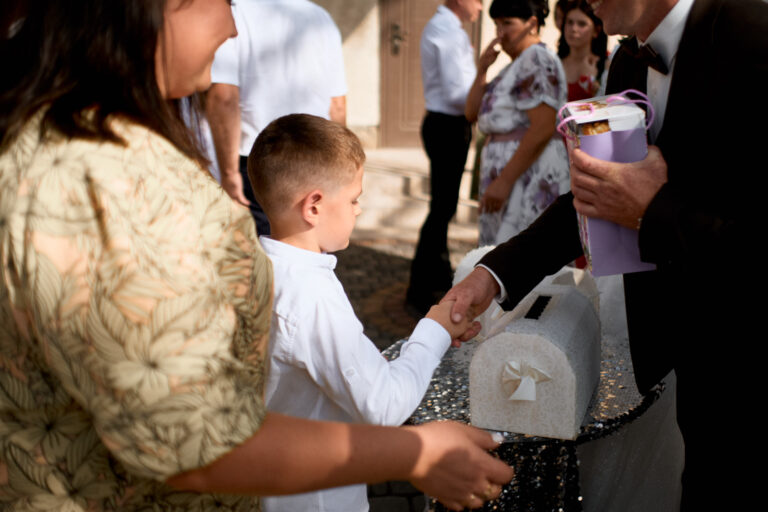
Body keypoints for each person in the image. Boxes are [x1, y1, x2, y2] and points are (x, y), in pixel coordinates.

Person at [0, 1, 515, 511]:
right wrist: (415, 452)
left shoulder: (73, 143)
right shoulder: (103, 183)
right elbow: (192, 441)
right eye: (219, 2)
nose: (229, 27)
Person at [443, 0, 768, 509]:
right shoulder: (628, 61)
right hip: (691, 360)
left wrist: (652, 211)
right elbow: (596, 196)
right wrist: (495, 274)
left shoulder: (755, 33)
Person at [246, 113, 493, 512]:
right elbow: (384, 406)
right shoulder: (312, 296)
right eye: (354, 199)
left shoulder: (256, 266)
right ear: (314, 205)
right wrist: (434, 330)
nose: (359, 210)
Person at [206, 0, 348, 236]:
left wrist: (229, 174)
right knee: (312, 240)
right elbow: (337, 104)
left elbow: (223, 98)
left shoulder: (233, 13)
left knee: (262, 250)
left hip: (259, 157)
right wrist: (341, 164)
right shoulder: (321, 17)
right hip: (316, 152)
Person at [464, 0, 570, 246]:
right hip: (513, 178)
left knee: (522, 255)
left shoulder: (537, 59)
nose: (500, 33)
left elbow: (543, 126)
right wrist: (482, 70)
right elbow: (471, 113)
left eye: (507, 24)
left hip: (526, 178)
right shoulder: (516, 65)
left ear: (532, 24)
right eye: (496, 24)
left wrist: (504, 181)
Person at [406, 0, 482, 315]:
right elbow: (456, 94)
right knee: (441, 208)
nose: (480, 5)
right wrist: (485, 91)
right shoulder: (448, 31)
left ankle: (437, 273)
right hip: (448, 125)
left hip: (446, 124)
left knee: (444, 205)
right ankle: (420, 286)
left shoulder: (449, 28)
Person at [557, 0, 608, 101]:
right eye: (570, 22)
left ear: (596, 31)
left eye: (582, 24)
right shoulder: (553, 64)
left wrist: (593, 84)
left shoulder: (608, 63)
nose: (574, 29)